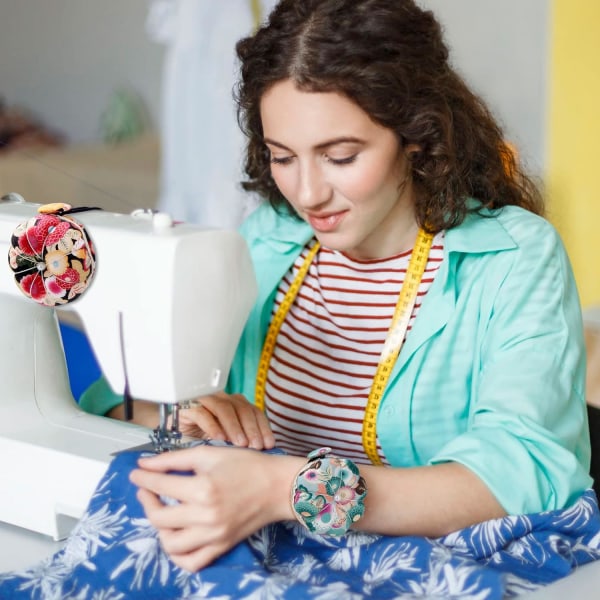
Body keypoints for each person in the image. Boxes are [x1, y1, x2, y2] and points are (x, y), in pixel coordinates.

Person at [79, 0, 593, 577]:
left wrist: (286, 488)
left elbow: (523, 474)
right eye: (281, 157)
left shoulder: (513, 257)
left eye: (340, 156)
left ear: (417, 136)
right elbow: (113, 400)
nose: (307, 194)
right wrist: (187, 412)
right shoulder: (269, 239)